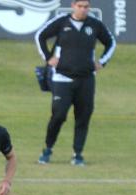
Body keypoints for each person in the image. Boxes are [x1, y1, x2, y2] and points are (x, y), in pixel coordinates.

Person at [34, 0, 116, 166]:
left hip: (86, 79)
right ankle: (47, 149)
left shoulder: (95, 25)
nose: (83, 10)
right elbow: (40, 36)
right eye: (80, 6)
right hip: (62, 78)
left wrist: (102, 62)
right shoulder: (62, 22)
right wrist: (48, 58)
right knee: (58, 115)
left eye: (86, 7)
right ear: (73, 6)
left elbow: (111, 42)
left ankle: (77, 154)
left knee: (83, 117)